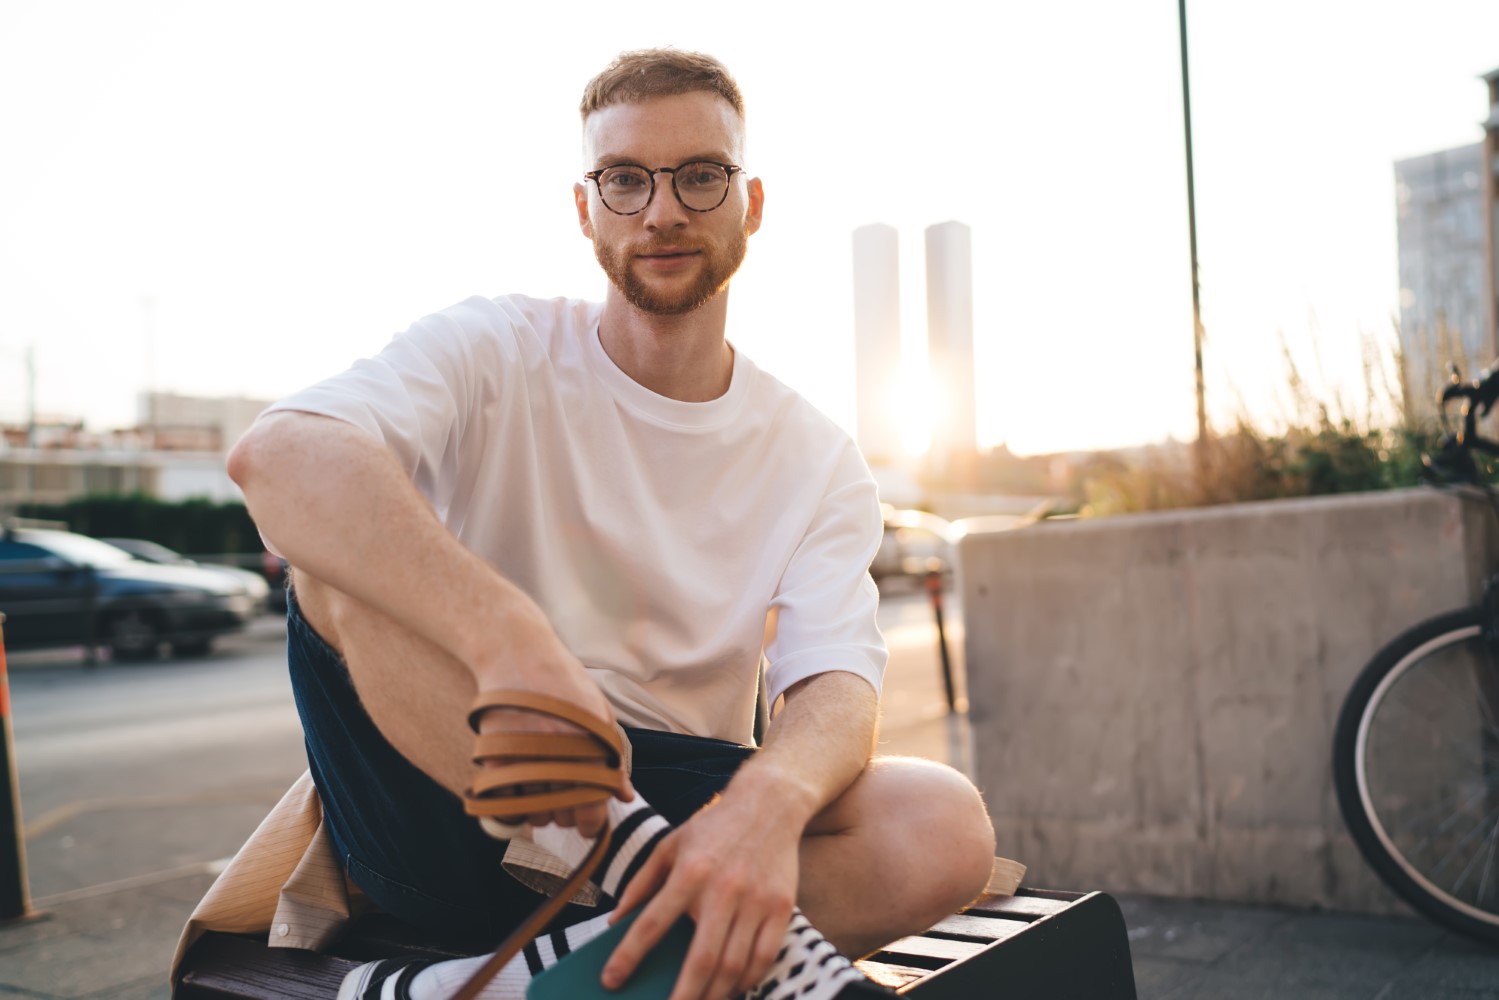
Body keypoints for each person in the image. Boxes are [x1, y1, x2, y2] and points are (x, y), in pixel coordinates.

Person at [227, 48, 996, 1000]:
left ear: (749, 204)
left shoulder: (815, 455)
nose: (662, 210)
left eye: (700, 176)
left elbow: (837, 685)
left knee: (942, 823)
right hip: (455, 794)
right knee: (334, 555)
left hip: (672, 799)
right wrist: (508, 638)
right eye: (625, 180)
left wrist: (769, 802)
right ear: (586, 209)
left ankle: (518, 982)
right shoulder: (496, 347)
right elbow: (281, 456)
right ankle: (635, 901)